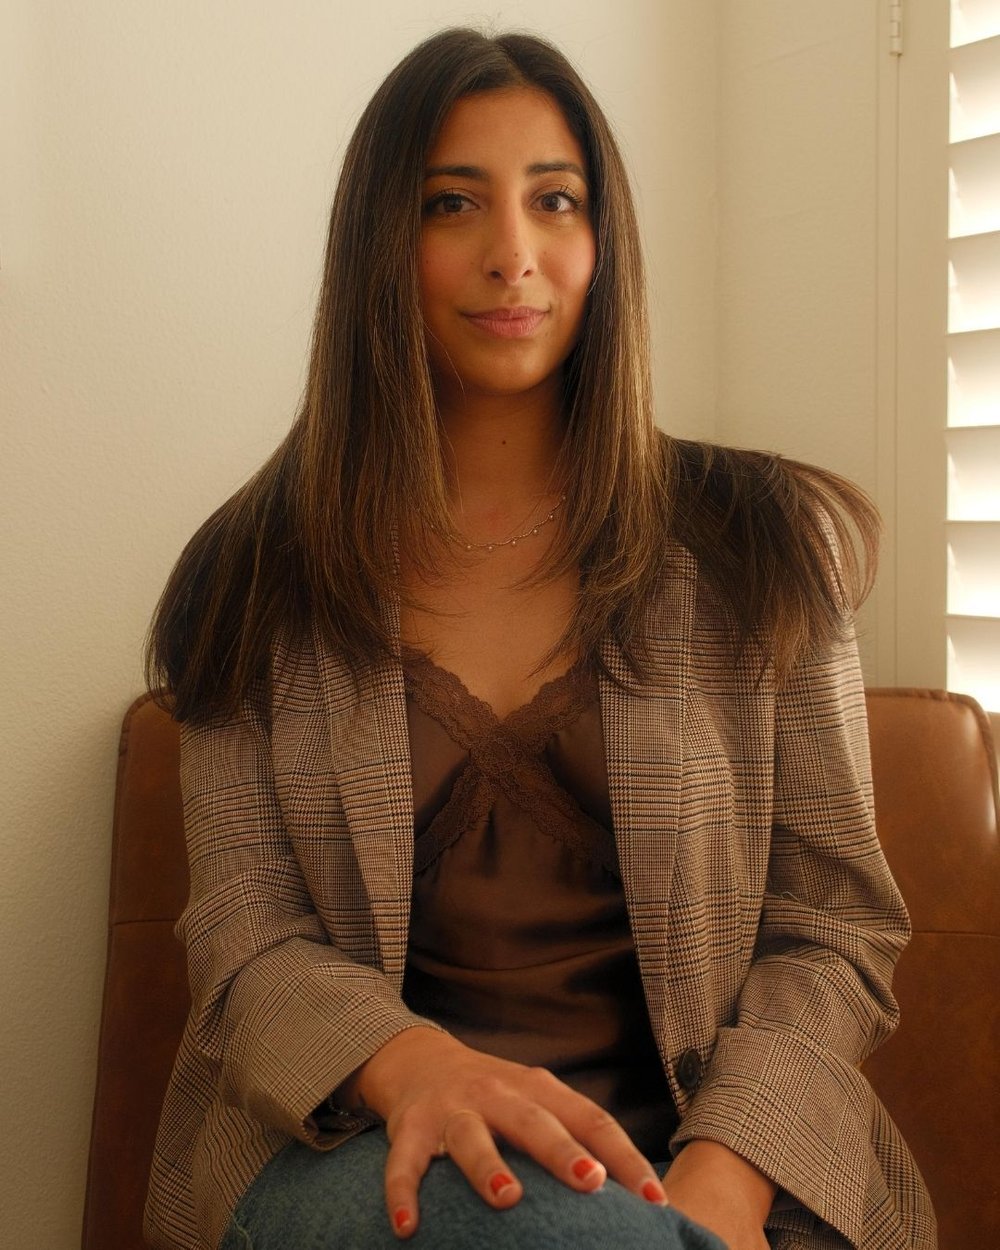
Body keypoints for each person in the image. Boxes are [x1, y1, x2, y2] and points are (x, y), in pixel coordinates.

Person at [143, 27, 936, 1250]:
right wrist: (411, 1066)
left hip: (717, 1164)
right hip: (357, 1148)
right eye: (451, 204)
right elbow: (246, 935)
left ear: (601, 241)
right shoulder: (255, 572)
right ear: (378, 250)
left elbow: (835, 925)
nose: (512, 255)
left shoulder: (759, 542)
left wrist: (723, 1176)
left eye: (553, 201)